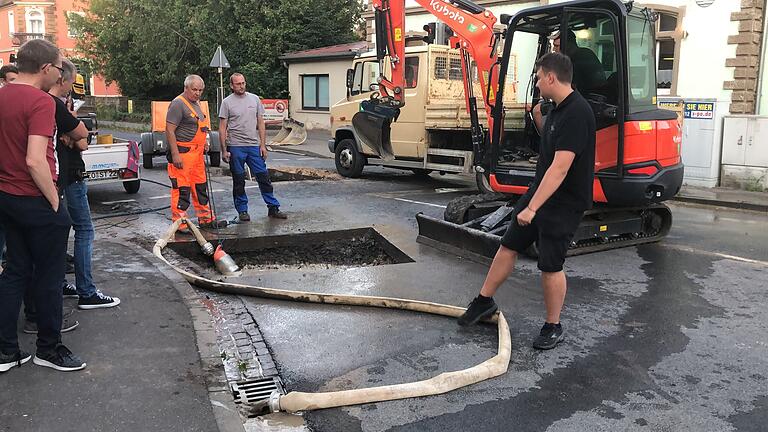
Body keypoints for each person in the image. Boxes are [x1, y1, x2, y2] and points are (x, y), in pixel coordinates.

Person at [458, 52, 596, 351]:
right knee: (508, 245)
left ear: (550, 77)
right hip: (539, 191)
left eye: (537, 76)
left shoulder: (578, 112)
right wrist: (539, 117)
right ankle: (484, 301)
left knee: (550, 264)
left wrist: (533, 208)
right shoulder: (558, 109)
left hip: (563, 201)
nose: (535, 81)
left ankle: (553, 325)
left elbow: (560, 168)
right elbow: (551, 147)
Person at [0, 39, 86, 373]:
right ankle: (48, 349)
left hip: (6, 198)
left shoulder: (2, 94)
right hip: (35, 198)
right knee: (49, 278)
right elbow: (35, 159)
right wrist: (54, 202)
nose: (61, 72)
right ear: (46, 68)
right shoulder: (41, 102)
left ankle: (7, 352)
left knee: (16, 272)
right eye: (60, 66)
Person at [219, 73, 286, 221]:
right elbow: (222, 127)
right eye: (238, 84)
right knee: (239, 180)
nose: (241, 86)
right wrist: (224, 150)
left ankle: (273, 207)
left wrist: (263, 145)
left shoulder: (254, 99)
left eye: (243, 83)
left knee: (263, 177)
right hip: (235, 146)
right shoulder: (227, 103)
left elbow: (261, 123)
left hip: (253, 146)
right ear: (231, 86)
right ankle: (242, 210)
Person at [166, 75, 227, 231]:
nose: (197, 93)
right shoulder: (178, 104)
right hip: (183, 154)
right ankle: (180, 223)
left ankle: (206, 219)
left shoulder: (196, 103)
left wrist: (204, 142)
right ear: (186, 88)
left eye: (200, 90)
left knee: (200, 188)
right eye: (194, 90)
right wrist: (175, 155)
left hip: (197, 155)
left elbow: (200, 127)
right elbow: (170, 130)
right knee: (182, 189)